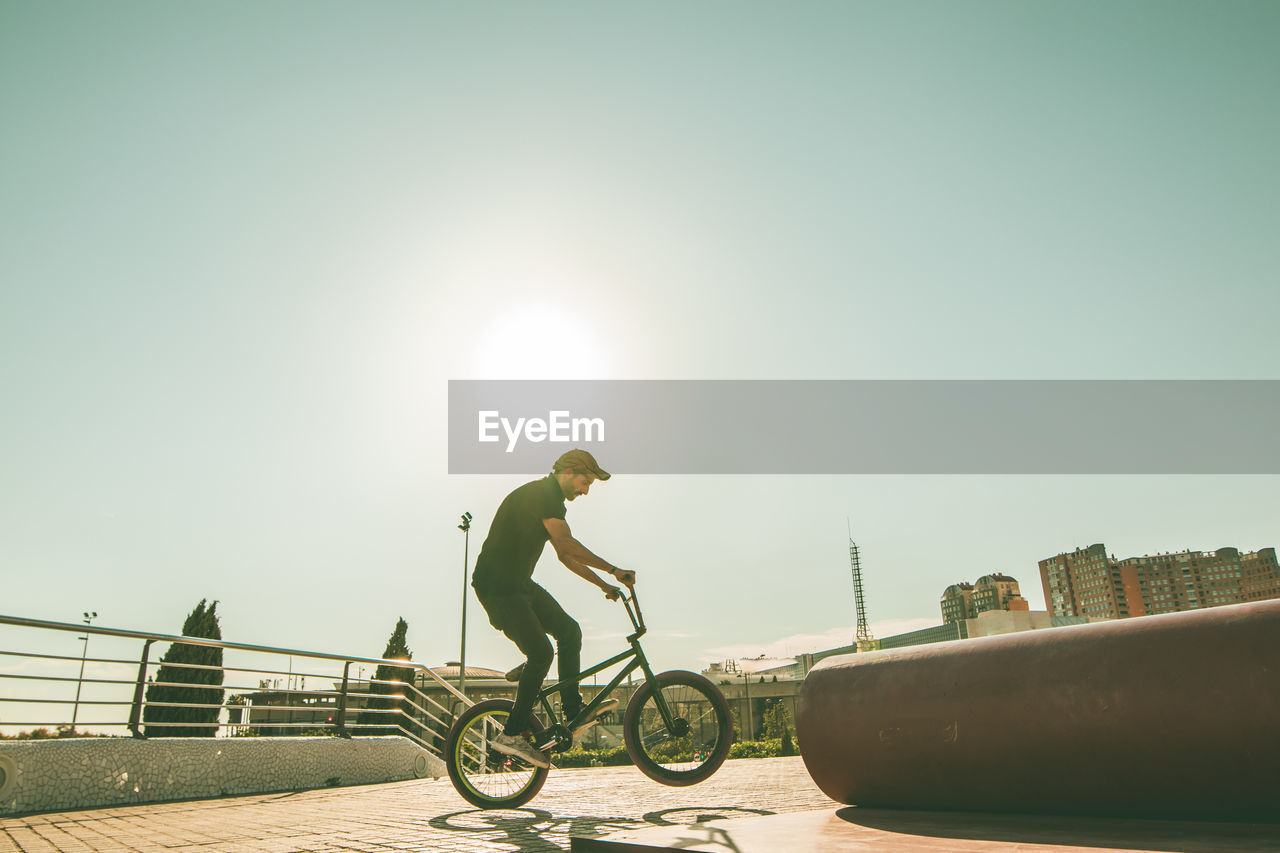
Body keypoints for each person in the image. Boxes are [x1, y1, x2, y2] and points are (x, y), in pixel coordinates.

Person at [471, 448, 636, 768]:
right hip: (497, 589)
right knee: (542, 653)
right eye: (585, 482)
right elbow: (566, 545)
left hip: (519, 586)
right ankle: (512, 735)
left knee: (569, 631)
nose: (586, 490)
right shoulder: (542, 495)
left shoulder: (550, 500)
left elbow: (564, 556)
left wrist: (603, 586)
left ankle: (573, 709)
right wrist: (613, 570)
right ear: (568, 472)